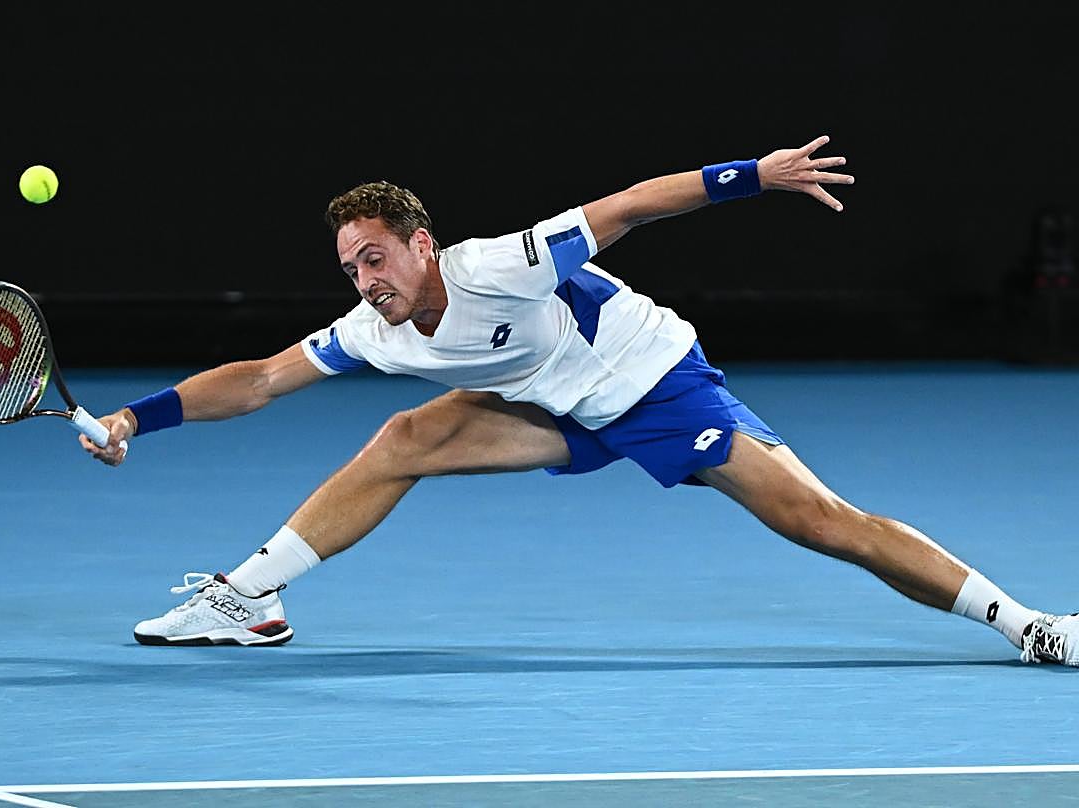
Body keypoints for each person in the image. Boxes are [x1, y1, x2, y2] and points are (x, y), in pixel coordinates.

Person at [81, 134, 1077, 667]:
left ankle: (1026, 621)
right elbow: (257, 379)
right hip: (554, 408)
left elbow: (631, 207)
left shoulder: (498, 266)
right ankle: (250, 600)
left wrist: (753, 177)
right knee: (403, 436)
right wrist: (138, 417)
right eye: (349, 267)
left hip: (652, 384)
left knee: (823, 523)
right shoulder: (374, 328)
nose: (363, 280)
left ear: (422, 246)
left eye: (374, 257)